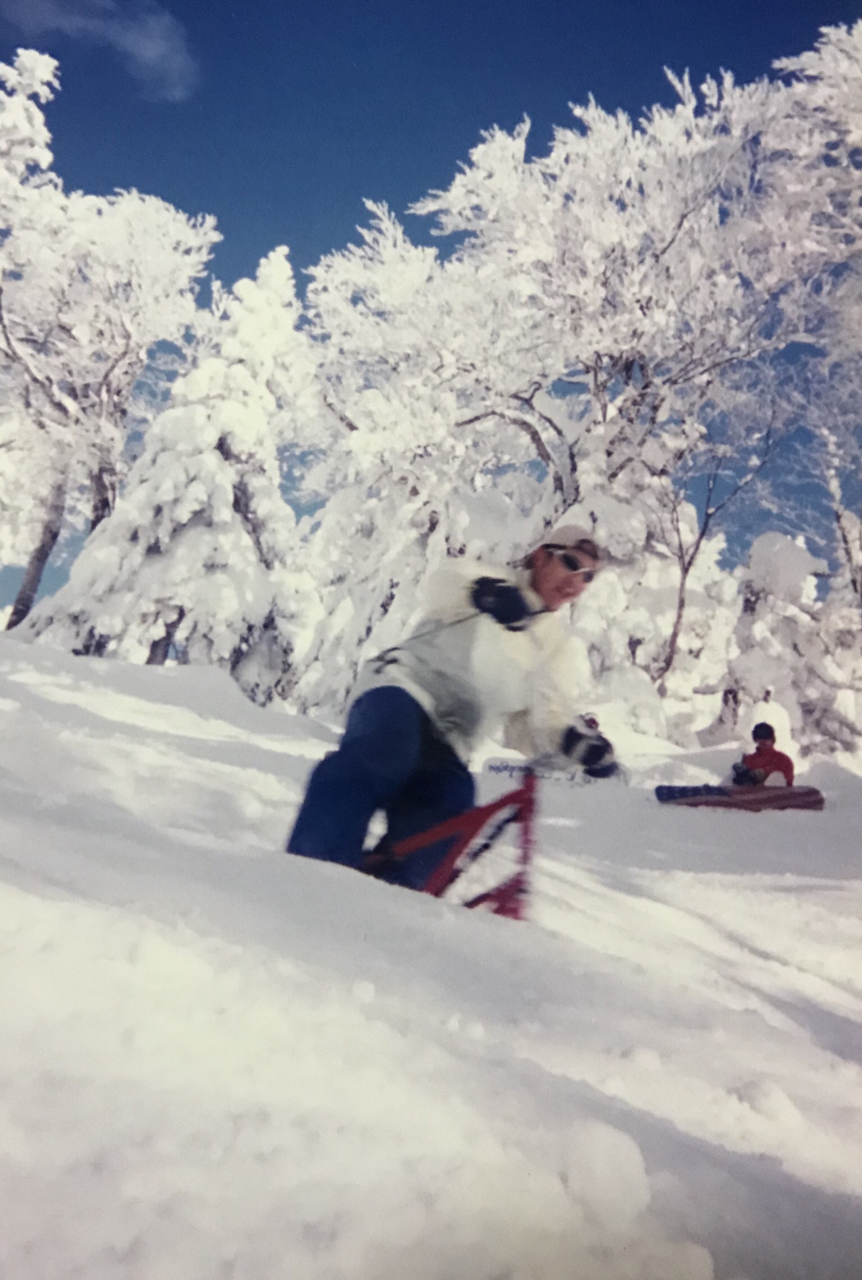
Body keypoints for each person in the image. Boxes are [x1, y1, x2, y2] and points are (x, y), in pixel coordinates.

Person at [287, 526, 616, 890]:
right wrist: (485, 595)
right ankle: (311, 877)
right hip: (403, 689)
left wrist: (571, 741)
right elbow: (443, 582)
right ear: (541, 557)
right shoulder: (494, 581)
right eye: (571, 564)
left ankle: (384, 900)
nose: (577, 582)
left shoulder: (554, 648)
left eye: (588, 577)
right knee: (386, 752)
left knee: (450, 805)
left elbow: (535, 724)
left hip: (452, 738)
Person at [730, 722, 795, 788]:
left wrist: (765, 773)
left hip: (776, 795)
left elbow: (788, 782)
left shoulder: (783, 759)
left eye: (766, 738)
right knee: (732, 777)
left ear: (772, 739)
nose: (763, 741)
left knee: (777, 776)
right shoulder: (749, 759)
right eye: (759, 738)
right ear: (755, 739)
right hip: (751, 794)